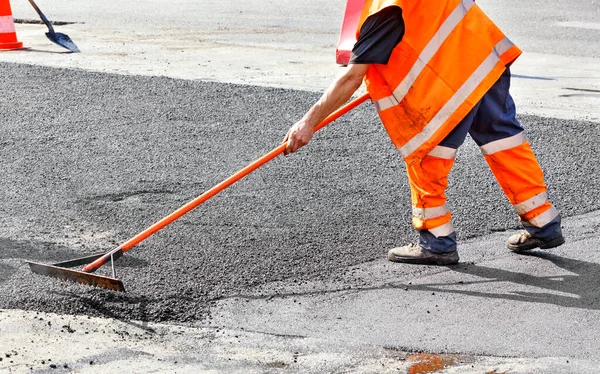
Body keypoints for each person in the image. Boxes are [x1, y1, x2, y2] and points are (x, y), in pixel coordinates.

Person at [283, 0, 564, 265]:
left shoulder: (386, 9)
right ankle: (542, 221)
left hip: (447, 86)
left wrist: (308, 122)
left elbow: (352, 77)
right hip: (483, 62)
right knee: (504, 142)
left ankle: (436, 240)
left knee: (425, 150)